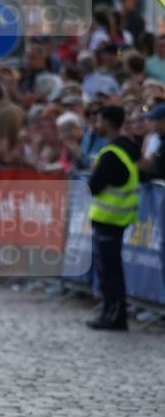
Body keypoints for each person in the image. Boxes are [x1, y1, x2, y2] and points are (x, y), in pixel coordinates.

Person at [87, 106, 140, 331]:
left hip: (110, 218)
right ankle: (110, 311)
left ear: (107, 122)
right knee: (108, 270)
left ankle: (115, 315)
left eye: (98, 120)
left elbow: (94, 185)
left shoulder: (111, 154)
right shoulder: (127, 148)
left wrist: (93, 173)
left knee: (110, 272)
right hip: (116, 219)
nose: (96, 124)